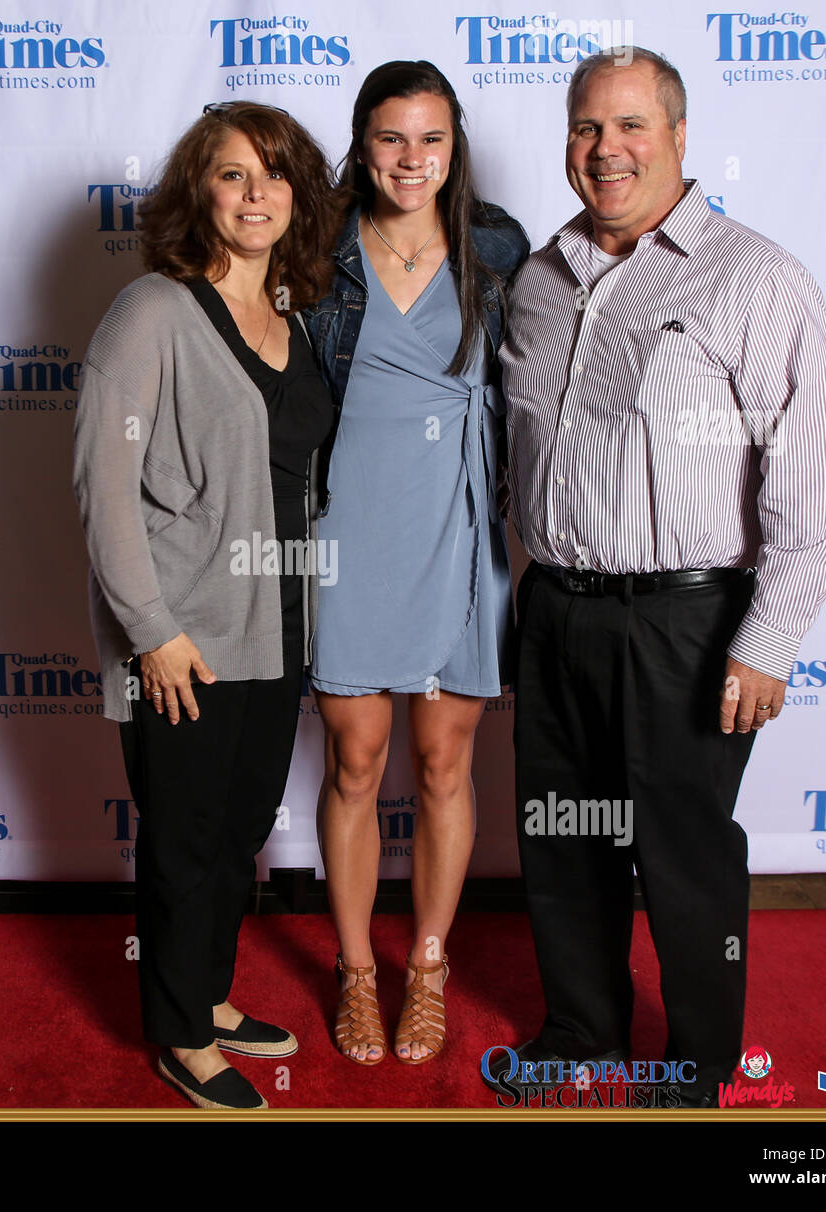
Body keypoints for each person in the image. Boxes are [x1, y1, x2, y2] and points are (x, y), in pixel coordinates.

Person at [490, 47, 826, 1106]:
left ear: (679, 137)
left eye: (631, 126)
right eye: (586, 128)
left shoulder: (754, 276)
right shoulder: (538, 280)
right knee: (564, 838)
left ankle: (696, 1066)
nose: (607, 150)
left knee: (683, 855)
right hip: (554, 609)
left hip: (688, 622)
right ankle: (580, 1031)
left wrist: (767, 639)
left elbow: (812, 478)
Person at [72, 101, 341, 1110]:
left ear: (296, 198)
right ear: (202, 193)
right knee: (183, 843)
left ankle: (208, 994)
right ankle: (179, 1033)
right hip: (183, 637)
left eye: (273, 175)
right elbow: (104, 486)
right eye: (232, 175)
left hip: (274, 627)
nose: (256, 193)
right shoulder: (151, 312)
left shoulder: (294, 315)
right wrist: (153, 633)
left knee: (234, 837)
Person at [305, 61, 528, 1065]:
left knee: (443, 762)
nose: (411, 158)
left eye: (430, 138)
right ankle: (356, 971)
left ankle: (426, 968)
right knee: (356, 761)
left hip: (457, 526)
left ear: (453, 146)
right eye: (391, 138)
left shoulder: (495, 246)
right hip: (347, 526)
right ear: (361, 142)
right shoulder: (315, 243)